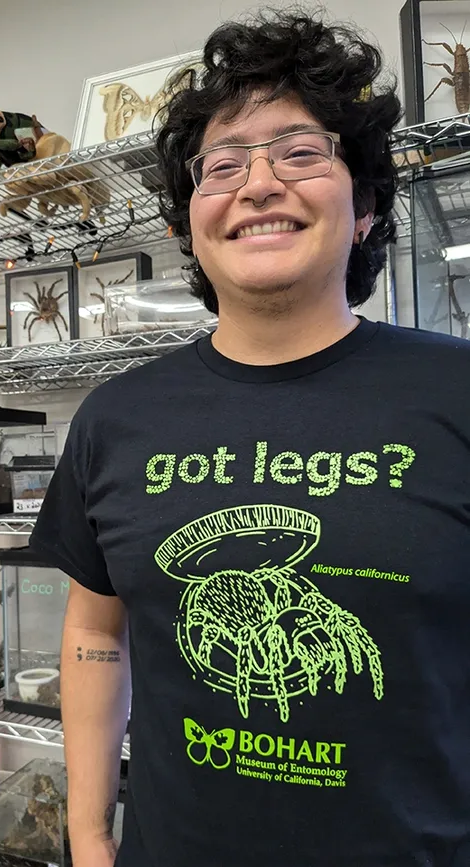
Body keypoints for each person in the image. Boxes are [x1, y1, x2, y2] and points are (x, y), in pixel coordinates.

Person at [29, 10, 470, 867]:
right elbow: (96, 631)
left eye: (301, 153)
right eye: (222, 165)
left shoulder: (457, 394)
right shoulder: (114, 419)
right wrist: (87, 837)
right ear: (190, 222)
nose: (259, 183)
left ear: (369, 205)